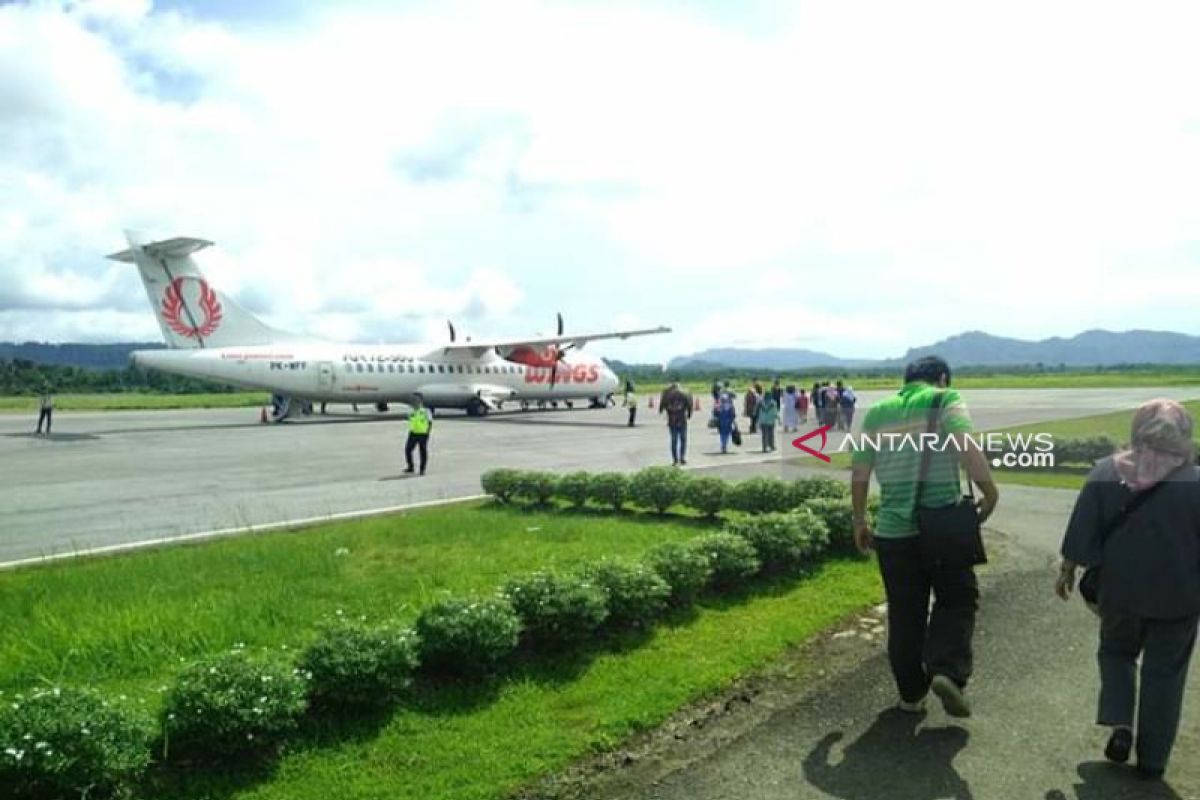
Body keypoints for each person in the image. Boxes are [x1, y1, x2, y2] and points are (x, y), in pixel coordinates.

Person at [1056, 399, 1200, 780]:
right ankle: (1152, 761)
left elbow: (1081, 530)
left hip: (1119, 594)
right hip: (1181, 598)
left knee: (1117, 653)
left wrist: (1068, 569)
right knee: (1165, 675)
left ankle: (1121, 724)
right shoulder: (1195, 482)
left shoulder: (1106, 472)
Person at [850, 356, 999, 718]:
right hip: (943, 528)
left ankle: (911, 695)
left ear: (906, 379)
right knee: (958, 598)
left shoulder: (876, 413)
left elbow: (860, 471)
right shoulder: (945, 399)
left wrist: (859, 520)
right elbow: (965, 445)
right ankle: (947, 670)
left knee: (904, 615)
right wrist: (989, 491)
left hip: (893, 532)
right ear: (942, 378)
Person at [659, 380, 693, 465]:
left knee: (674, 440)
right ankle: (682, 458)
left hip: (672, 419)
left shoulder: (667, 393)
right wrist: (689, 414)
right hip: (682, 419)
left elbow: (662, 404)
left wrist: (662, 410)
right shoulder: (685, 393)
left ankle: (675, 459)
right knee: (683, 439)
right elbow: (690, 404)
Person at [404, 394, 434, 475]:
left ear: (420, 401)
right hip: (413, 433)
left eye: (416, 399)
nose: (414, 401)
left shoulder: (426, 411)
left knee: (422, 451)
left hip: (423, 433)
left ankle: (422, 469)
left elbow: (430, 422)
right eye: (413, 399)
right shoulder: (411, 411)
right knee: (408, 450)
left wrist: (427, 432)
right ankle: (410, 467)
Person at [715, 385, 737, 454]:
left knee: (722, 434)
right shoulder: (730, 406)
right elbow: (733, 414)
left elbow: (716, 413)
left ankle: (723, 445)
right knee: (727, 434)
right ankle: (724, 446)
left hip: (722, 421)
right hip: (728, 421)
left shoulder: (719, 406)